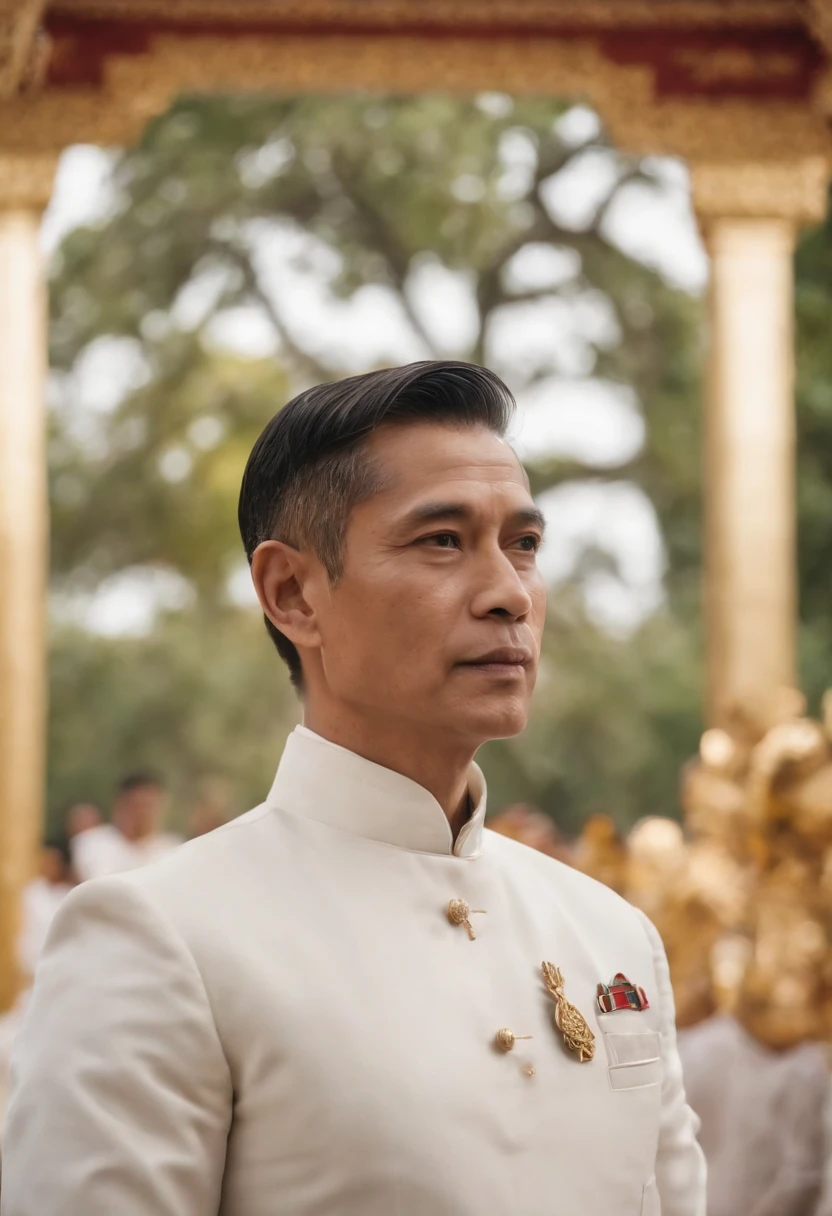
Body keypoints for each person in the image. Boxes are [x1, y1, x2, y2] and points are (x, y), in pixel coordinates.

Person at [2, 362, 706, 1215]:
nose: (508, 594)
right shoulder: (162, 938)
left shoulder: (611, 934)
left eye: (523, 544)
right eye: (442, 540)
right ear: (292, 593)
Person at [69, 772, 181, 882]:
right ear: (120, 805)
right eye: (137, 805)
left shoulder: (174, 848)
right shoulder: (91, 843)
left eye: (149, 806)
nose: (143, 814)